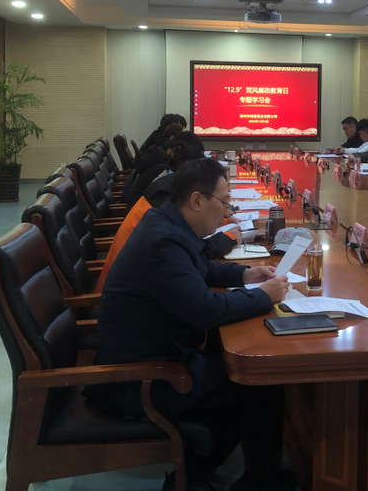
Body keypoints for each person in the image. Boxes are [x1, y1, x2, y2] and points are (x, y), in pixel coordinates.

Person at [86, 158, 296, 489]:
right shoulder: (164, 242)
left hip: (153, 353)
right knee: (258, 379)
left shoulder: (167, 223)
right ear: (197, 200)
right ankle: (247, 480)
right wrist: (263, 296)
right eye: (224, 203)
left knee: (235, 364)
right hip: (140, 379)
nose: (227, 212)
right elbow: (206, 310)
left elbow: (201, 269)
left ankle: (209, 470)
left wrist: (245, 275)